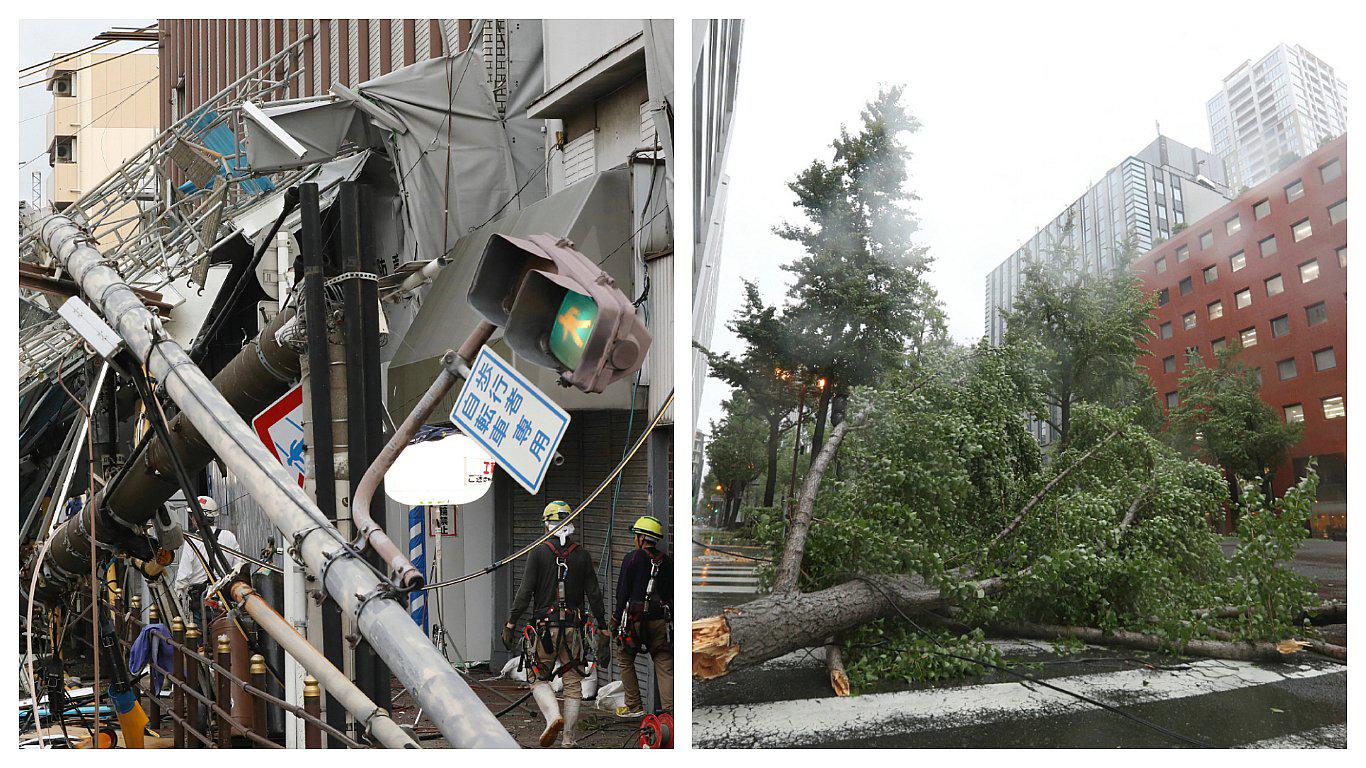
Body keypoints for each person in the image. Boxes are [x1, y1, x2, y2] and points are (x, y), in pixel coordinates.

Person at [502, 500, 609, 748]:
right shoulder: (581, 555)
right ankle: (568, 740)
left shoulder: (538, 553)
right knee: (573, 683)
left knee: (537, 677)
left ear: (546, 525)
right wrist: (603, 626)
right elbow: (594, 594)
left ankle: (553, 717)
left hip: (544, 629)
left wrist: (511, 622)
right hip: (573, 629)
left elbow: (525, 592)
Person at [612, 515, 672, 718]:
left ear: (641, 538)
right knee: (664, 664)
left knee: (625, 657)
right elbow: (670, 594)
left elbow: (622, 593)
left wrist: (615, 620)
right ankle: (670, 713)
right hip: (659, 621)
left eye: (635, 535)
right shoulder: (666, 561)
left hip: (634, 623)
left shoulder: (632, 558)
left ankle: (633, 705)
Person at [172, 496, 242, 633]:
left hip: (200, 600)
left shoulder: (192, 540)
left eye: (192, 516)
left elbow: (183, 577)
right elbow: (239, 566)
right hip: (225, 598)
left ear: (197, 518)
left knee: (199, 638)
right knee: (224, 635)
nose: (191, 519)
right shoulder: (228, 536)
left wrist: (178, 598)